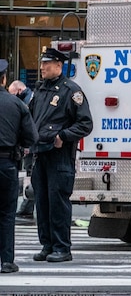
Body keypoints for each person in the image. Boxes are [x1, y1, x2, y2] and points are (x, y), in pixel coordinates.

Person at [30, 47, 93, 263]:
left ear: (58, 65)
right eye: (41, 63)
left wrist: (63, 136)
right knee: (42, 201)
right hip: (40, 154)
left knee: (58, 202)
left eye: (46, 64)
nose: (42, 67)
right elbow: (32, 120)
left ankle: (62, 247)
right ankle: (47, 245)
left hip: (60, 156)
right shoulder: (39, 90)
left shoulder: (70, 91)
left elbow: (85, 124)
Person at [0, 60, 37, 273]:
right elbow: (31, 137)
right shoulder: (17, 105)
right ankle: (6, 261)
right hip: (6, 163)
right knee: (6, 213)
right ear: (4, 80)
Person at [9, 80, 35, 221]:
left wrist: (27, 146)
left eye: (13, 94)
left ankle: (27, 207)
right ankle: (27, 207)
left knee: (31, 176)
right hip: (30, 146)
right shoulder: (30, 98)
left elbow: (29, 126)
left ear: (19, 90)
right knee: (30, 175)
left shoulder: (27, 102)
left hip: (30, 147)